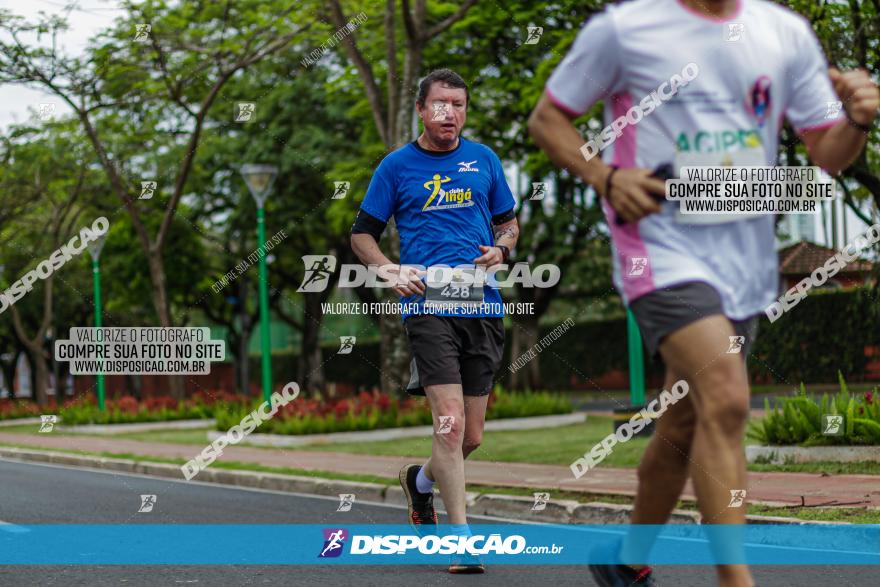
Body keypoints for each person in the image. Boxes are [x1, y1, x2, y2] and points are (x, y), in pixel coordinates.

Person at [528, 0, 878, 585]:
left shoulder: (784, 32)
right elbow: (547, 119)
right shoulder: (625, 29)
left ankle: (625, 559)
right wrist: (605, 177)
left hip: (742, 258)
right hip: (657, 246)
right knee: (726, 396)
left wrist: (859, 120)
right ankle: (736, 580)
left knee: (685, 421)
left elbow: (828, 152)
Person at [350, 68, 519, 574]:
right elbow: (362, 235)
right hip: (427, 305)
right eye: (441, 103)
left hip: (481, 304)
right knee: (448, 426)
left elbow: (507, 223)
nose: (451, 112)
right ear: (421, 110)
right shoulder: (396, 167)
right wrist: (388, 269)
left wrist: (503, 248)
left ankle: (419, 483)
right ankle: (461, 540)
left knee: (470, 437)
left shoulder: (485, 160)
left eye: (459, 104)